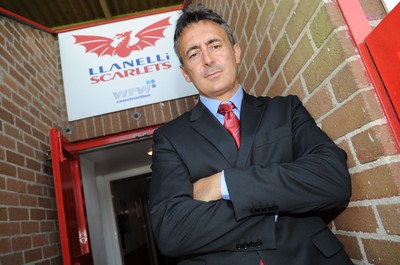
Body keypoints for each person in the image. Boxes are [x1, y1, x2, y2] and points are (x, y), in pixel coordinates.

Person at [149, 4, 353, 265]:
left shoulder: (285, 110)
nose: (208, 59)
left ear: (236, 52)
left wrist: (224, 184)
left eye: (215, 46)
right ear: (186, 73)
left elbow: (331, 180)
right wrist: (280, 203)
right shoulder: (170, 139)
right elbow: (172, 231)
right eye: (193, 54)